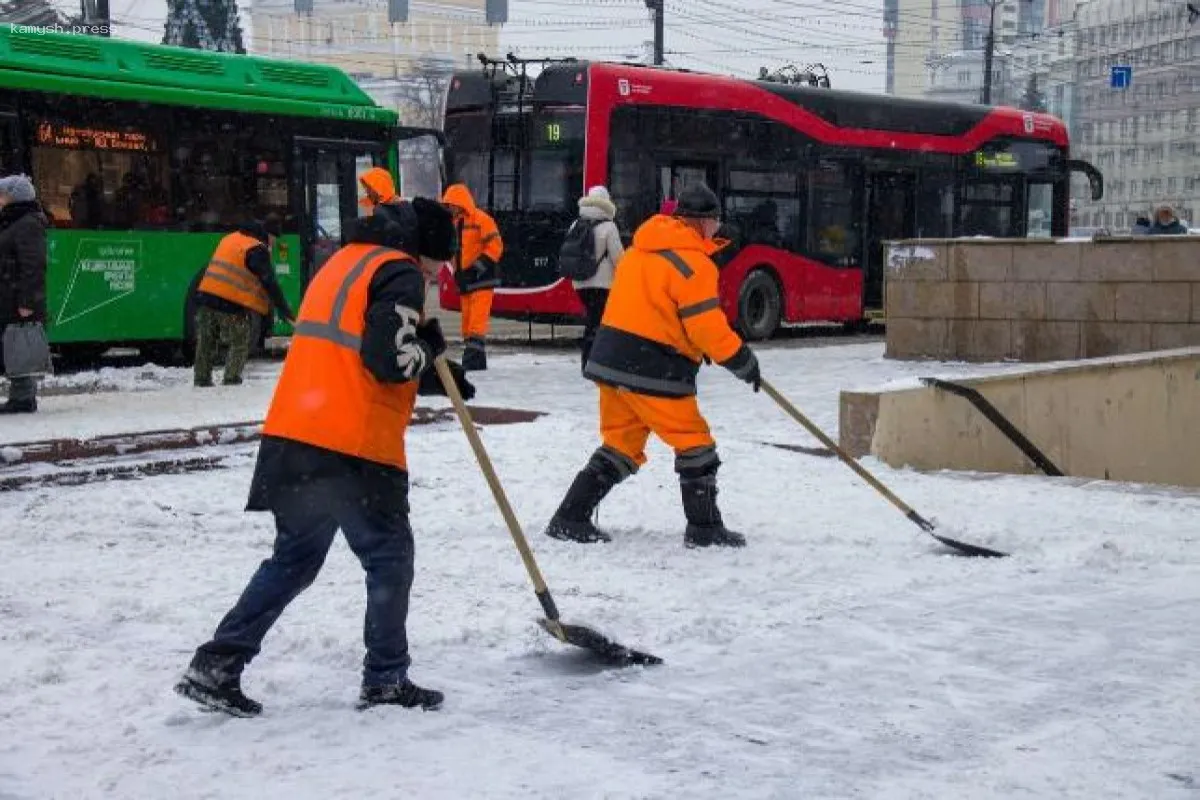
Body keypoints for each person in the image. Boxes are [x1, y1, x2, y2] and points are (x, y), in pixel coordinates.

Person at [174, 197, 477, 717]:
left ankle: (217, 663)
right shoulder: (398, 272)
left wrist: (426, 366)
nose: (435, 274)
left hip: (296, 432)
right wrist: (426, 349)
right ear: (424, 249)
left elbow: (350, 350)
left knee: (293, 560)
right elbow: (388, 359)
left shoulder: (343, 262)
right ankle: (385, 679)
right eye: (438, 263)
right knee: (388, 559)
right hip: (353, 447)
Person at [543, 183, 761, 550]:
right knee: (695, 444)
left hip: (610, 360)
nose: (717, 229)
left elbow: (655, 312)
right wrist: (742, 360)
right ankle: (705, 528)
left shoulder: (641, 252)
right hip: (653, 368)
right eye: (715, 221)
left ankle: (570, 517)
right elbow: (705, 325)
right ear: (703, 222)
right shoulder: (694, 264)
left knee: (621, 445)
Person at [193, 215, 294, 387]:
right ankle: (231, 379)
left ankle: (201, 378)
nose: (273, 245)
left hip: (205, 296)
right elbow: (269, 282)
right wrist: (284, 310)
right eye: (274, 240)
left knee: (206, 340)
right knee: (240, 341)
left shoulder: (230, 238)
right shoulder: (256, 248)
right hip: (230, 302)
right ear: (268, 235)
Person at [0, 174, 49, 414]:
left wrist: (27, 301)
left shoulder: (27, 223)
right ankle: (21, 396)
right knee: (12, 345)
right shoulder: (12, 221)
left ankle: (23, 398)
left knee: (19, 345)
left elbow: (33, 265)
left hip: (17, 297)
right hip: (8, 294)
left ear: (14, 197)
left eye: (2, 195)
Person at [442, 183, 503, 371]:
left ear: (460, 203)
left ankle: (472, 360)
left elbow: (496, 246)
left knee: (476, 322)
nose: (449, 207)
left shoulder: (481, 219)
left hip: (482, 279)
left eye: (451, 204)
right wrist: (458, 273)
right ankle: (476, 361)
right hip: (466, 280)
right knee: (468, 323)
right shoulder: (453, 223)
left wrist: (475, 269)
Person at [569, 186, 625, 371]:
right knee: (600, 322)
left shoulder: (576, 223)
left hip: (580, 282)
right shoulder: (609, 226)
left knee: (592, 320)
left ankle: (588, 360)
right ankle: (595, 362)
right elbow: (619, 258)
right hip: (603, 284)